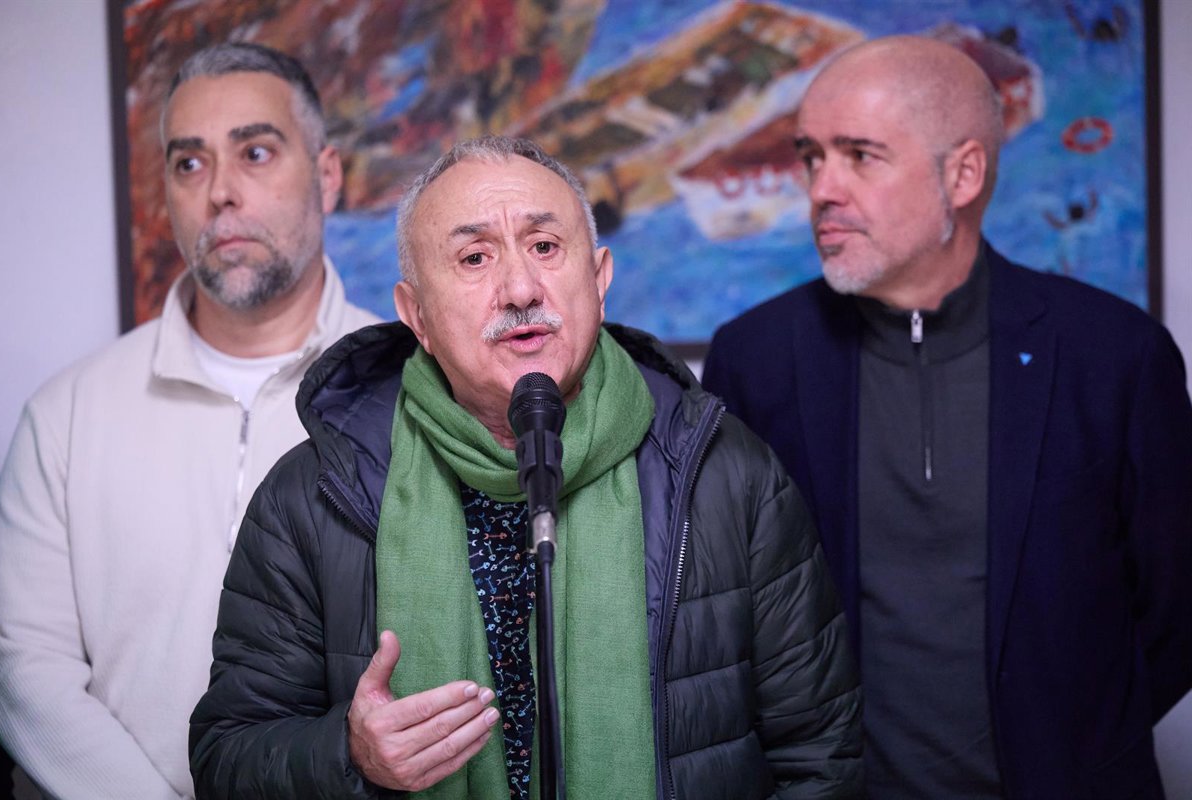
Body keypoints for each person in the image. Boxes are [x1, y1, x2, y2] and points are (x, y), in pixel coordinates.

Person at [187, 135, 863, 798]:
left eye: (544, 246)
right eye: (475, 257)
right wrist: (350, 754)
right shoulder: (314, 494)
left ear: (598, 279)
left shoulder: (726, 474)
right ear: (416, 314)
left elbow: (822, 757)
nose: (518, 288)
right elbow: (228, 754)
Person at [702, 35, 1192, 800]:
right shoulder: (756, 359)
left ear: (962, 174)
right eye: (811, 157)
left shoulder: (1115, 356)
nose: (823, 188)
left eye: (859, 155)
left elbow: (1174, 612)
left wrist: (1074, 743)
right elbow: (732, 620)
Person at [0, 43, 379, 799]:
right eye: (189, 163)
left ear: (327, 176)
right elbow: (22, 666)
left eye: (255, 152)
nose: (221, 192)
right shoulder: (67, 415)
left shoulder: (411, 393)